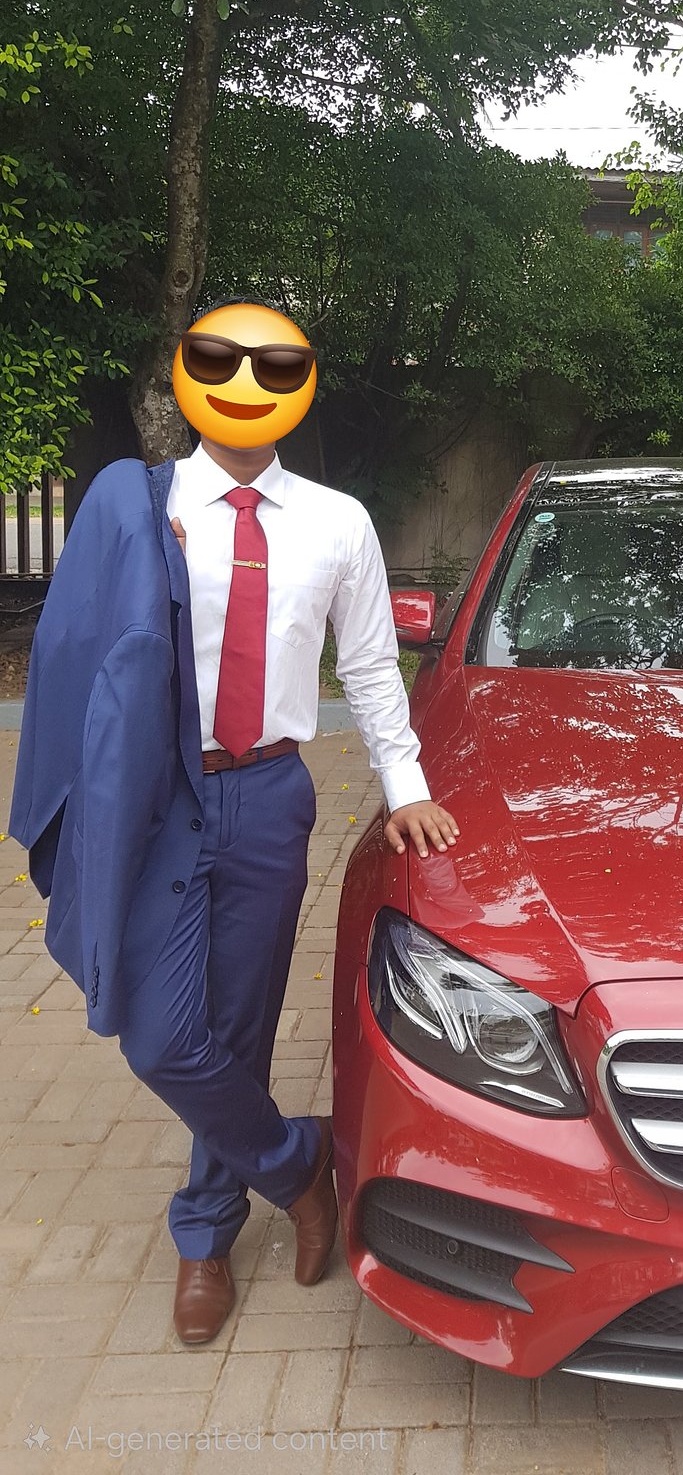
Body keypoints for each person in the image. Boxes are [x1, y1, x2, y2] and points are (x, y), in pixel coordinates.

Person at [10, 300, 459, 1346]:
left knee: (241, 1025)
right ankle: (301, 1167)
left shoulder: (338, 522)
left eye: (275, 366)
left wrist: (405, 788)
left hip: (269, 795)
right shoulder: (140, 509)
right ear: (187, 375)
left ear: (302, 386)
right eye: (218, 358)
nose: (246, 382)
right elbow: (77, 652)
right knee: (161, 1035)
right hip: (157, 795)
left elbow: (368, 668)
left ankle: (205, 1233)